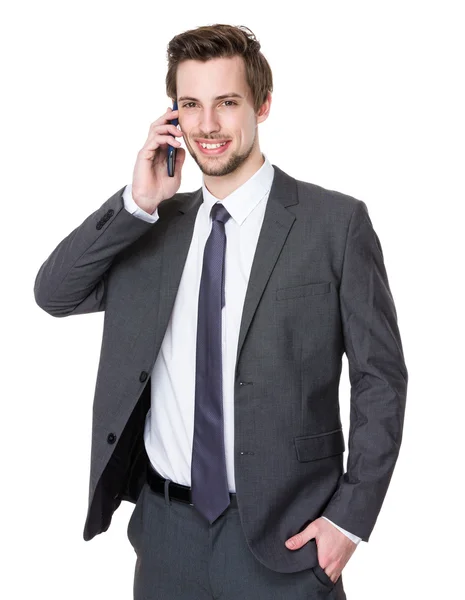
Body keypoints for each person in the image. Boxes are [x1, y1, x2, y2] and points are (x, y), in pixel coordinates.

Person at [34, 23, 408, 600]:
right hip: (166, 539)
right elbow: (54, 292)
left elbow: (380, 380)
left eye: (226, 103)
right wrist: (137, 202)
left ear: (262, 104)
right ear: (173, 116)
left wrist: (348, 522)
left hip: (286, 546)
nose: (207, 125)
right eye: (190, 105)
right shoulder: (150, 230)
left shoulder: (335, 226)